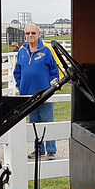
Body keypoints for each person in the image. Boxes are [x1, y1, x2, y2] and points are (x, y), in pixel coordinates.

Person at [13, 23, 60, 159]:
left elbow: (54, 71)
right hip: (28, 95)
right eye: (27, 33)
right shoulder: (22, 51)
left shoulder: (46, 50)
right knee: (34, 122)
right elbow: (17, 71)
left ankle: (51, 150)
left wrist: (51, 87)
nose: (30, 36)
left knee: (47, 121)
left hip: (45, 94)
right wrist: (20, 85)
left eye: (33, 33)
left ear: (39, 34)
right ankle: (39, 149)